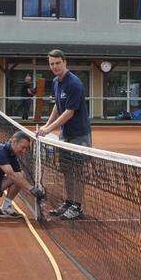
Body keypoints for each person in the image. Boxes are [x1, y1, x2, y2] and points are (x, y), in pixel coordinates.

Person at [36, 49, 91, 220]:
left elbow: (69, 112)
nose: (55, 66)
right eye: (52, 64)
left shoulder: (74, 83)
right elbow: (58, 106)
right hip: (64, 135)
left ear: (65, 62)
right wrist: (47, 126)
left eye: (58, 63)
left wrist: (48, 129)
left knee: (77, 171)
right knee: (67, 170)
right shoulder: (55, 81)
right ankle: (69, 202)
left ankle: (77, 207)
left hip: (78, 135)